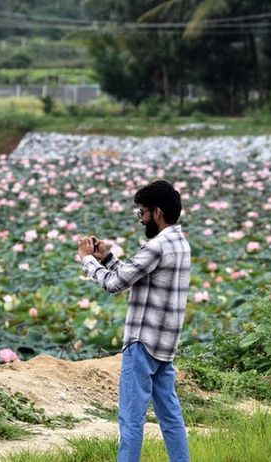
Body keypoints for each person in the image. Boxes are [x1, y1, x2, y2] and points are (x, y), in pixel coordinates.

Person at [78, 180, 191, 462]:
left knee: (131, 418)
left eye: (142, 212)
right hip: (164, 346)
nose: (141, 219)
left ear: (158, 212)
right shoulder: (180, 242)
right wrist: (107, 258)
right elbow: (134, 276)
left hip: (142, 344)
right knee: (170, 416)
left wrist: (88, 261)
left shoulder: (156, 246)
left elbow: (116, 285)